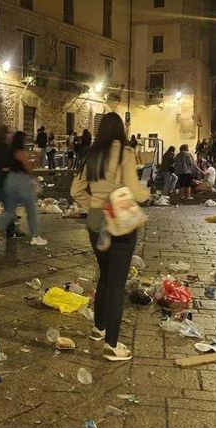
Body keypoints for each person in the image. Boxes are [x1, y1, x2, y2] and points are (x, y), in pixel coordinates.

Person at [70, 112, 149, 362]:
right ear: (120, 130)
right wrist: (145, 194)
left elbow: (75, 190)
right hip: (120, 221)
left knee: (105, 275)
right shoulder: (125, 153)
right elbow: (134, 189)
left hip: (95, 221)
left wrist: (94, 204)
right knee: (116, 283)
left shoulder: (91, 154)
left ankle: (99, 328)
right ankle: (112, 345)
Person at [0, 130, 48, 246]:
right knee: (31, 209)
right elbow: (29, 168)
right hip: (22, 181)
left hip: (11, 180)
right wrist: (37, 159)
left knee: (9, 211)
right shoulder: (19, 152)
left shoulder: (10, 151)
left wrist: (33, 157)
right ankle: (35, 236)